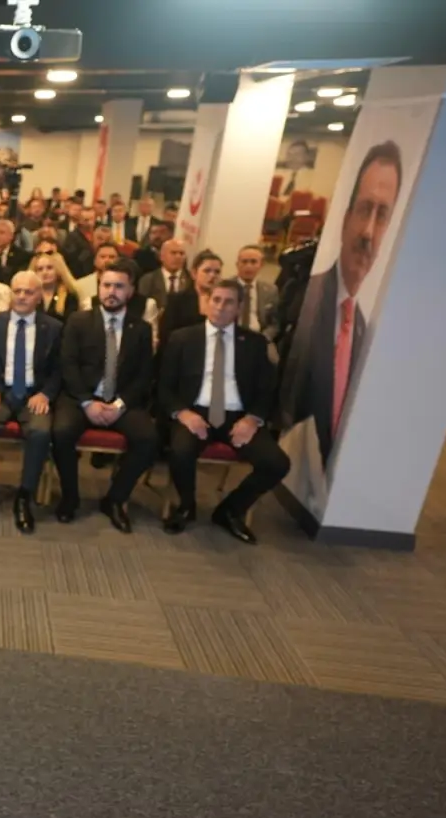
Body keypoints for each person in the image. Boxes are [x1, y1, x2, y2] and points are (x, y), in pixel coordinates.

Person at [280, 142, 401, 466]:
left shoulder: (363, 326)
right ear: (345, 219)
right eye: (364, 209)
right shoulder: (310, 301)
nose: (368, 232)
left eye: (382, 215)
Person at [160, 280, 290, 544]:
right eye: (216, 300)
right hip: (195, 412)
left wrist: (252, 419)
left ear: (239, 307)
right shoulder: (182, 338)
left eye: (229, 302)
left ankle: (230, 511)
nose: (220, 307)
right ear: (207, 302)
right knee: (180, 451)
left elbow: (267, 389)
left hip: (237, 416)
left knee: (277, 463)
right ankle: (186, 505)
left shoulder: (254, 343)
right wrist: (183, 414)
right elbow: (163, 386)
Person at [51, 258, 158, 532]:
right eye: (106, 285)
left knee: (148, 439)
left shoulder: (141, 329)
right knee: (61, 432)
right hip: (81, 398)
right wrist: (88, 402)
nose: (111, 291)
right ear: (99, 288)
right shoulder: (78, 321)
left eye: (119, 286)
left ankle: (115, 499)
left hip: (121, 401)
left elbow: (144, 375)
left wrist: (120, 404)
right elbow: (68, 365)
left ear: (130, 291)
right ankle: (70, 497)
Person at [0, 271, 64, 533]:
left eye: (29, 292)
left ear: (39, 296)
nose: (22, 296)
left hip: (34, 396)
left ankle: (24, 496)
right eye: (17, 291)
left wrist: (46, 394)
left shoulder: (54, 328)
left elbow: (60, 369)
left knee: (40, 432)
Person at [159, 249, 221, 345]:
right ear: (194, 273)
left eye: (217, 272)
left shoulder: (223, 302)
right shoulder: (177, 300)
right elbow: (166, 335)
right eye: (207, 271)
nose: (212, 276)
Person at [230, 244, 280, 343]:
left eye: (253, 262)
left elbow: (275, 323)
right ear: (237, 264)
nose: (248, 266)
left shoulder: (271, 290)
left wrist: (263, 338)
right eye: (244, 262)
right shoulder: (225, 287)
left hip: (259, 338)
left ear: (261, 265)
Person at [30, 250, 79, 322]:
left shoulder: (69, 296)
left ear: (58, 270)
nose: (45, 272)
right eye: (40, 269)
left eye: (49, 268)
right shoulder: (29, 296)